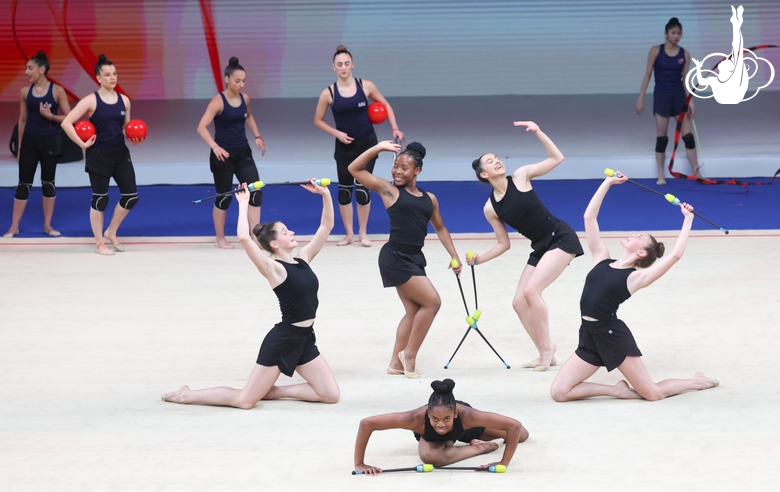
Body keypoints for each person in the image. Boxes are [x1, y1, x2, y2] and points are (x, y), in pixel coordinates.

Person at [161, 179, 340, 409]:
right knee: (244, 401)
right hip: (283, 340)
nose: (292, 232)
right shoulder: (274, 269)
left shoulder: (303, 258)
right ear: (274, 244)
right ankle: (184, 395)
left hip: (305, 338)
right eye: (286, 232)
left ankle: (270, 392)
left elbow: (326, 226)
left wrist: (325, 195)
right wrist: (243, 203)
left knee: (330, 394)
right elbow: (245, 238)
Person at [549, 171, 719, 402]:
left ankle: (697, 381)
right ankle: (616, 390)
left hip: (612, 336)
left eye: (638, 236)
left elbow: (676, 255)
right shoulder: (602, 258)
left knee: (652, 393)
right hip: (588, 335)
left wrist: (687, 220)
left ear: (641, 253)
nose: (632, 234)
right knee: (559, 392)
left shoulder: (635, 278)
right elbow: (589, 217)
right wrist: (608, 183)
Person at [470, 121, 584, 371]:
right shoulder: (490, 208)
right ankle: (548, 350)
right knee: (519, 302)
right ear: (483, 174)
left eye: (497, 158)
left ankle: (545, 350)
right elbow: (503, 244)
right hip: (541, 247)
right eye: (490, 161)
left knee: (531, 292)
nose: (497, 161)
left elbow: (557, 157)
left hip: (561, 238)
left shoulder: (521, 176)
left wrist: (538, 131)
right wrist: (479, 259)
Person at [349, 141, 461, 377]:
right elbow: (355, 170)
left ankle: (394, 364)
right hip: (395, 257)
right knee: (432, 302)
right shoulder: (389, 190)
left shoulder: (429, 199)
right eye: (395, 167)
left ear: (417, 171)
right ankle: (409, 354)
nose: (397, 172)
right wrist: (378, 149)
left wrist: (454, 256)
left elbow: (440, 228)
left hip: (414, 258)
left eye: (404, 168)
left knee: (414, 312)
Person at [314, 45, 404, 247]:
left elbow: (386, 105)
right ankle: (349, 234)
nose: (343, 67)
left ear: (352, 65)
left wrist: (395, 128)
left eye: (347, 63)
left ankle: (363, 233)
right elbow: (318, 120)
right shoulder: (328, 93)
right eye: (339, 64)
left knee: (363, 190)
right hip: (344, 148)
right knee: (344, 191)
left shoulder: (366, 86)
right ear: (333, 67)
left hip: (367, 145)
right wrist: (337, 133)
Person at [353, 378, 528, 475]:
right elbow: (367, 424)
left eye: (446, 418)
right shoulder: (414, 419)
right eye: (435, 419)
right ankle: (482, 447)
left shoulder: (469, 416)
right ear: (428, 414)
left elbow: (514, 426)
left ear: (456, 414)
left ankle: (464, 440)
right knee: (431, 457)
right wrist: (359, 463)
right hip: (431, 440)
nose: (441, 424)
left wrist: (503, 462)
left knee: (522, 436)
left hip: (462, 430)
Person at [61, 54, 144, 255]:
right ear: (98, 78)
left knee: (131, 196)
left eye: (114, 74)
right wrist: (81, 143)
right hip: (98, 155)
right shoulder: (90, 101)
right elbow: (66, 122)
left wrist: (133, 136)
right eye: (107, 75)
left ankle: (111, 231)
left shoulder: (124, 100)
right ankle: (99, 243)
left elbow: (125, 128)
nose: (112, 78)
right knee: (100, 200)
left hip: (120, 154)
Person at [197, 57, 266, 249]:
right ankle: (220, 238)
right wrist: (215, 147)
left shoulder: (245, 99)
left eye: (244, 81)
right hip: (223, 156)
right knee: (224, 197)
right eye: (237, 81)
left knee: (255, 192)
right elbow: (201, 127)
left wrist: (257, 136)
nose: (241, 84)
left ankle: (255, 236)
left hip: (243, 152)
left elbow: (249, 116)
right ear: (227, 79)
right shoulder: (217, 102)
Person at [5, 51, 71, 238]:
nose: (26, 72)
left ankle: (48, 225)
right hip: (29, 143)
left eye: (30, 68)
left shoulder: (57, 91)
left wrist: (51, 117)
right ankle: (13, 226)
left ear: (42, 70)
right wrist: (19, 148)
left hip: (50, 142)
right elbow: (22, 120)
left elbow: (69, 117)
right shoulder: (25, 92)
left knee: (48, 184)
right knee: (23, 184)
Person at [636, 17, 703, 185]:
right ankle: (661, 174)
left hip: (679, 96)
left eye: (679, 33)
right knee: (662, 137)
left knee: (688, 136)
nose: (676, 36)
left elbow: (685, 79)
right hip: (662, 96)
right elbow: (647, 75)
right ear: (666, 34)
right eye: (673, 33)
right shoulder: (655, 51)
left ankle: (697, 171)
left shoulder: (685, 54)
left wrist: (691, 101)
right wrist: (640, 98)